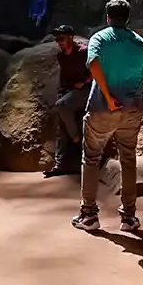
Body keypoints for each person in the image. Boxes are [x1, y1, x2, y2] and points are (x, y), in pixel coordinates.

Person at [72, 0, 143, 232]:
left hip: (102, 109)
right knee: (128, 159)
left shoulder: (100, 38)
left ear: (108, 17)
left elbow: (93, 62)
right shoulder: (139, 43)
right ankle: (128, 217)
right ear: (128, 19)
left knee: (91, 157)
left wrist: (107, 96)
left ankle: (89, 215)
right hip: (132, 108)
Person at [44, 25, 91, 177]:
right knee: (61, 127)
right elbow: (64, 79)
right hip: (69, 91)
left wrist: (84, 82)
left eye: (62, 38)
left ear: (71, 37)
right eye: (57, 39)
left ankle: (76, 138)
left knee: (61, 106)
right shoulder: (62, 56)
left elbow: (97, 71)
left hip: (85, 90)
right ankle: (59, 165)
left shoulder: (83, 52)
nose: (59, 42)